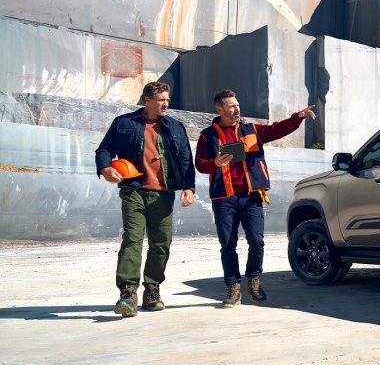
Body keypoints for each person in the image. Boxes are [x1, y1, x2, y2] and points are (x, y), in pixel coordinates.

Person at [195, 89, 317, 308]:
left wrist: (297, 118)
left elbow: (277, 130)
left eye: (238, 105)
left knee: (257, 241)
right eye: (232, 106)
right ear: (220, 109)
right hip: (224, 198)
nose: (237, 109)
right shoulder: (207, 135)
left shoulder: (252, 129)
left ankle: (253, 280)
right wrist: (215, 163)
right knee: (228, 245)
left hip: (252, 197)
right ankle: (233, 287)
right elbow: (200, 163)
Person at [95, 81, 196, 317]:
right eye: (161, 99)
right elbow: (104, 150)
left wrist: (189, 187)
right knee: (132, 239)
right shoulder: (124, 123)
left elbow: (186, 160)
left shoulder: (175, 126)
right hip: (134, 190)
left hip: (163, 193)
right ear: (148, 100)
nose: (166, 104)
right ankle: (128, 293)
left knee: (161, 243)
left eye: (167, 99)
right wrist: (105, 168)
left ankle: (152, 289)